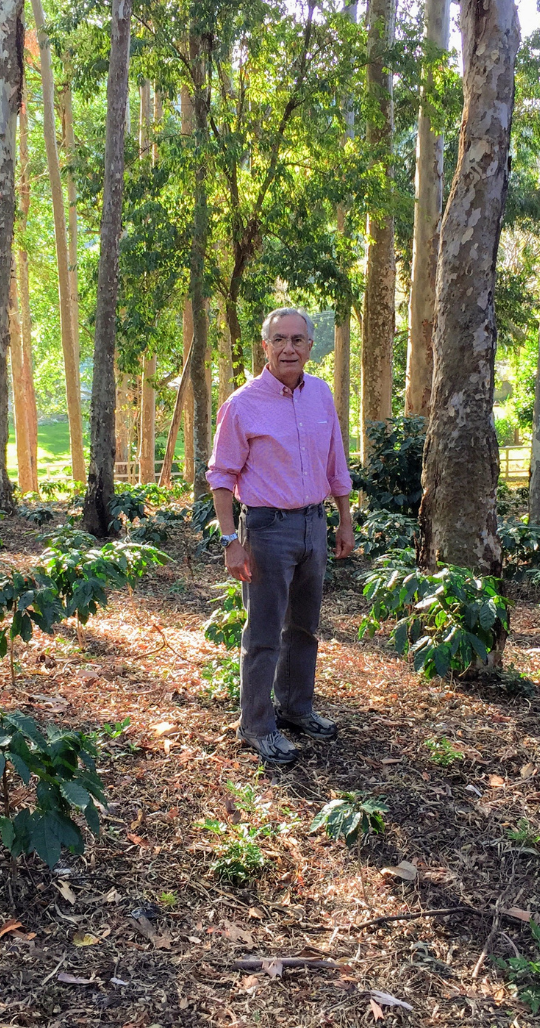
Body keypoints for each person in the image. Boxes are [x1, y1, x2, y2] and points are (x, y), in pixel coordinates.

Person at [207, 307, 354, 766]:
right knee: (265, 632)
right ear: (265, 346)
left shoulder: (321, 396)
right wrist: (232, 541)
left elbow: (336, 462)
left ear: (311, 347)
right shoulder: (242, 404)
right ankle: (256, 724)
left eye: (297, 340)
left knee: (304, 628)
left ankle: (296, 709)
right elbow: (221, 476)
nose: (288, 348)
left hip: (314, 523)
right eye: (279, 339)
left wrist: (344, 518)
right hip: (267, 530)